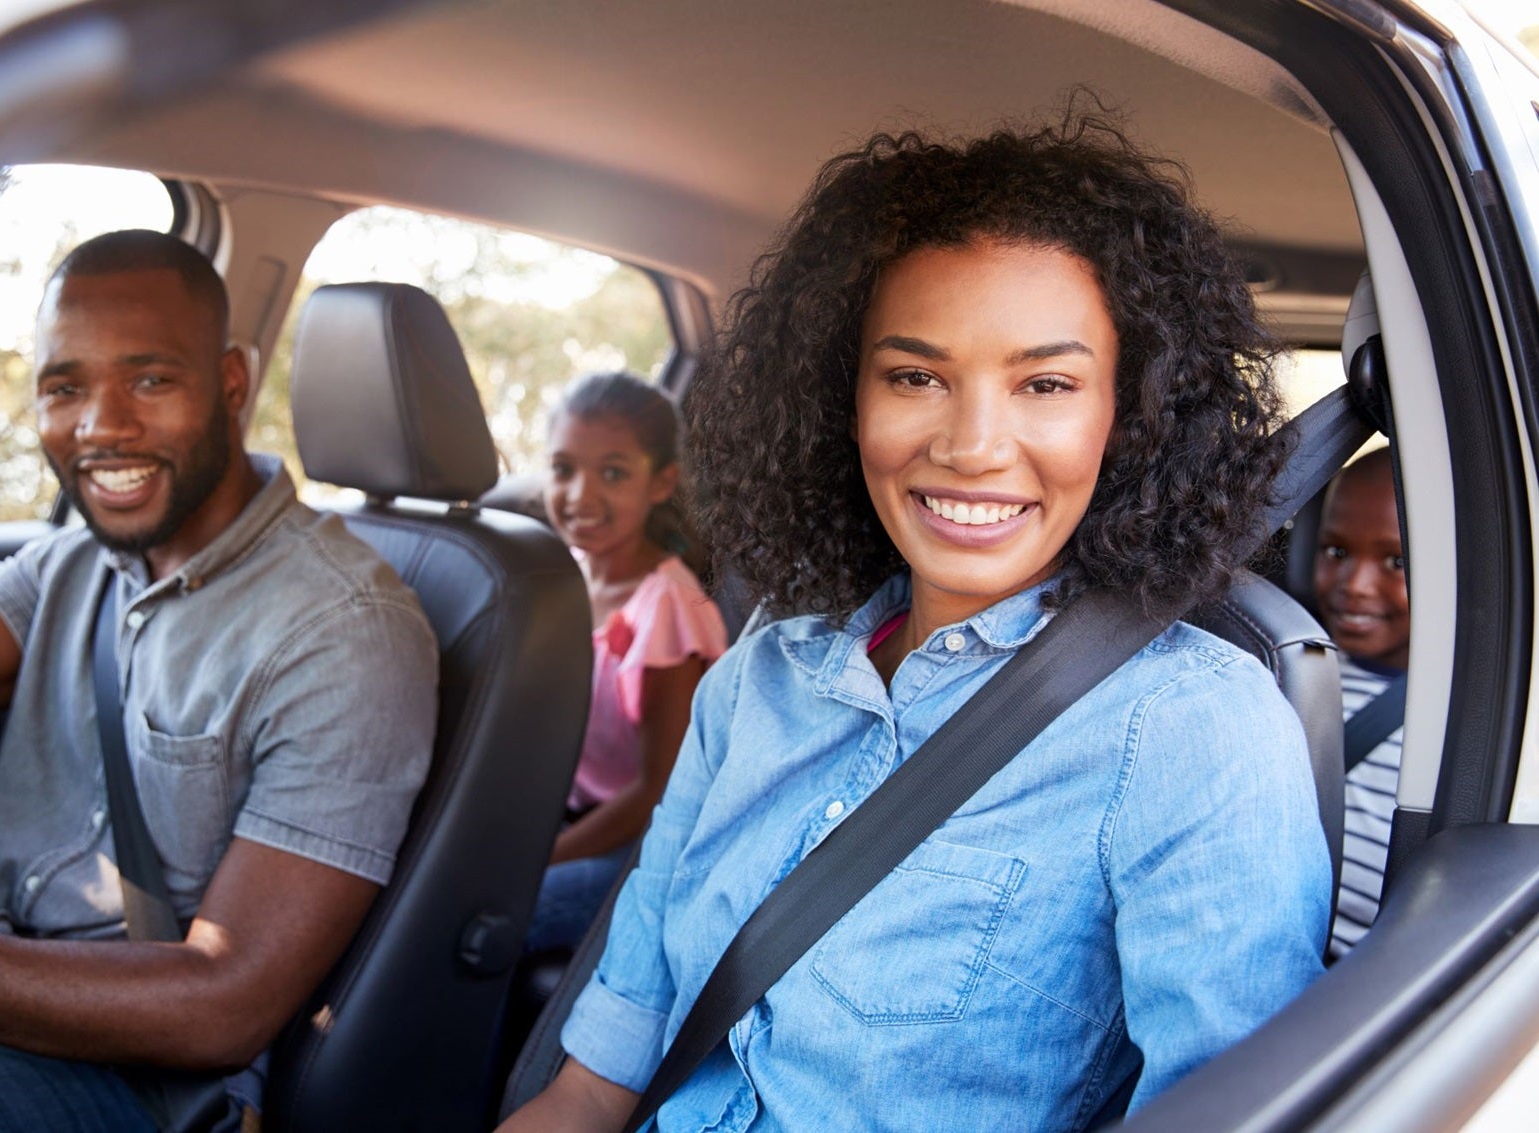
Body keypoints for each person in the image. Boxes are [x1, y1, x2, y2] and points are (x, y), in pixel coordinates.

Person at [501, 113, 1331, 1132]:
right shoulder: (757, 677)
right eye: (913, 375)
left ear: (1130, 413)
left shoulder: (1188, 730)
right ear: (838, 401)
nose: (972, 444)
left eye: (1044, 383)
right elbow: (591, 1086)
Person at [0, 230, 438, 1132]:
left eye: (149, 379)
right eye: (65, 388)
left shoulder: (344, 629)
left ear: (231, 383)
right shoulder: (74, 565)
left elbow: (225, 1000)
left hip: (145, 1081)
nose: (101, 426)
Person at [527, 372, 728, 953]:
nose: (580, 496)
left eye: (612, 473)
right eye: (564, 469)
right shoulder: (556, 575)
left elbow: (656, 791)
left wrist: (539, 859)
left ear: (661, 482)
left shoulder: (667, 607)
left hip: (639, 848)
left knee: (488, 909)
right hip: (569, 817)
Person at [1314, 448, 1408, 959]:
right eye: (1335, 552)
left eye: (1396, 562)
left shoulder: (1474, 721)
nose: (1355, 586)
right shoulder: (1295, 670)